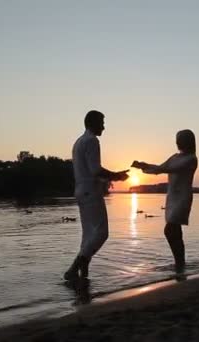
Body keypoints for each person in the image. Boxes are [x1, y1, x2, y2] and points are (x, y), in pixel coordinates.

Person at [64, 110, 129, 284]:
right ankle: (73, 269)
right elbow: (95, 170)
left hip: (80, 191)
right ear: (93, 123)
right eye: (102, 122)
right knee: (101, 233)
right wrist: (117, 176)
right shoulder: (92, 141)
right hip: (90, 192)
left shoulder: (79, 142)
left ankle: (83, 276)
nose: (104, 127)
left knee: (88, 235)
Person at [132, 129, 198, 273]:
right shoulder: (175, 156)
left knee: (170, 230)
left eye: (180, 139)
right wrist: (144, 166)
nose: (177, 142)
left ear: (187, 141)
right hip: (172, 197)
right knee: (175, 231)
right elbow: (161, 167)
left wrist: (145, 165)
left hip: (183, 198)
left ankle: (179, 262)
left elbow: (166, 169)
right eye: (177, 139)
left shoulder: (191, 159)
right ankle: (180, 263)